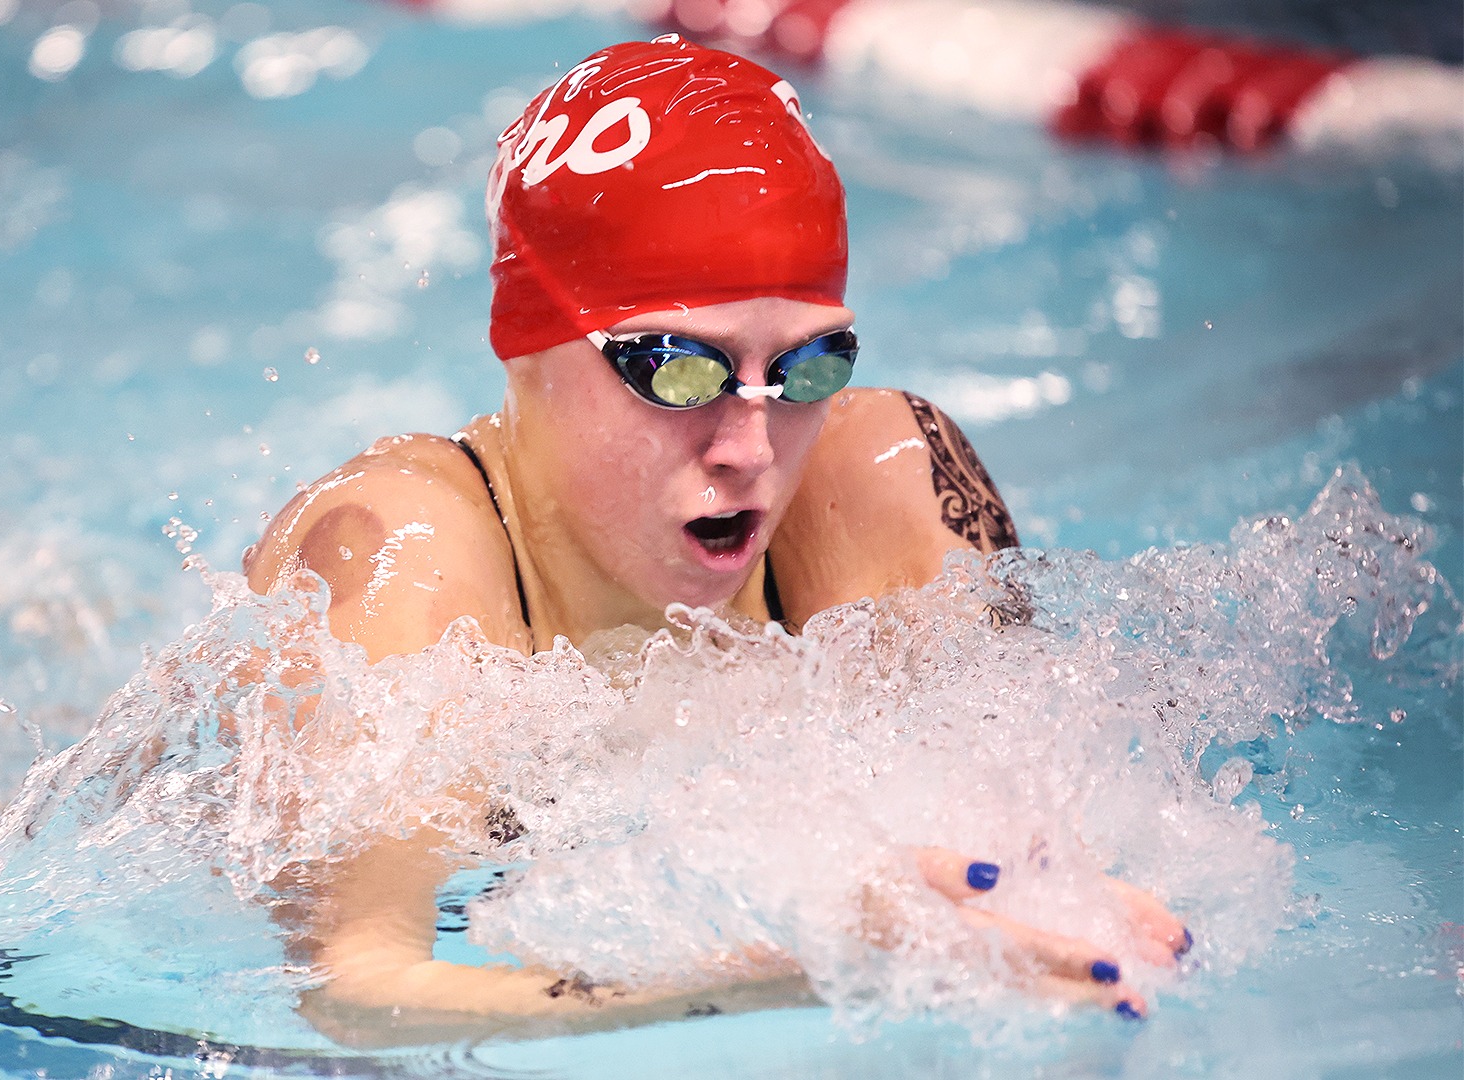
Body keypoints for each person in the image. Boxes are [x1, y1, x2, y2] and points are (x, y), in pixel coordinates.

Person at [242, 36, 1186, 1032]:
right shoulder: (401, 557)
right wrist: (780, 969)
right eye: (679, 369)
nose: (751, 445)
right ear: (528, 348)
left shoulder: (876, 482)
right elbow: (349, 991)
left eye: (810, 365)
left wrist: (1070, 915)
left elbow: (1024, 843)